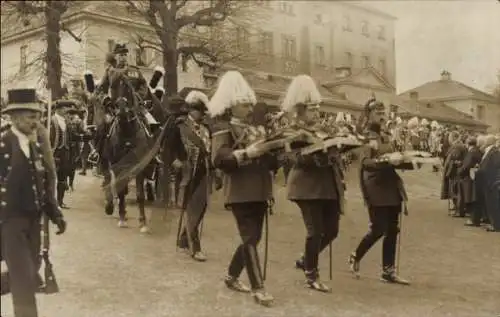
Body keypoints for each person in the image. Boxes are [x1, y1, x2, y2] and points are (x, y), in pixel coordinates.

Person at [210, 70, 276, 306]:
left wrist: (277, 150)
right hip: (238, 190)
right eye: (245, 105)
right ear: (232, 105)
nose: (250, 109)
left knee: (254, 237)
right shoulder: (222, 127)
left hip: (260, 189)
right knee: (250, 237)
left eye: (250, 104)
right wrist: (247, 153)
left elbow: (271, 162)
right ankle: (259, 287)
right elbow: (219, 158)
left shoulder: (256, 128)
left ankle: (231, 275)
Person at [0, 88, 67, 317]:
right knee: (24, 280)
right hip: (10, 221)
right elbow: (10, 182)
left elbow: (41, 182)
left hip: (33, 222)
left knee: (31, 271)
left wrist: (54, 213)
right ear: (15, 117)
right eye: (31, 117)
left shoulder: (35, 144)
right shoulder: (5, 145)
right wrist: (22, 149)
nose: (36, 122)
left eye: (37, 116)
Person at [281, 75, 344, 292]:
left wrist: (339, 147)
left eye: (317, 108)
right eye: (311, 109)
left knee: (333, 230)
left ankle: (305, 259)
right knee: (315, 230)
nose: (317, 113)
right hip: (306, 186)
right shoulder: (293, 130)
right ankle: (311, 274)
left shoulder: (324, 129)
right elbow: (296, 158)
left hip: (328, 185)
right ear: (300, 110)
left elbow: (335, 149)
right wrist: (322, 153)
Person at [348, 98, 410, 285]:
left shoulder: (387, 134)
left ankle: (388, 271)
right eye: (378, 113)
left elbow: (394, 156)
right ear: (369, 114)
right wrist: (388, 161)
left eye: (384, 113)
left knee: (392, 229)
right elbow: (365, 163)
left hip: (391, 185)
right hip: (375, 186)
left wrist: (406, 160)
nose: (382, 117)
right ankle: (355, 256)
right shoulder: (365, 135)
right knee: (378, 228)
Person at [174, 90, 212, 261]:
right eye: (199, 111)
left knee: (200, 207)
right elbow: (171, 147)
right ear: (191, 109)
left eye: (202, 111)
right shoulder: (180, 126)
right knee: (191, 209)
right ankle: (195, 247)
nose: (201, 115)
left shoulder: (206, 129)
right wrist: (176, 161)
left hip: (204, 171)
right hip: (187, 172)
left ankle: (183, 240)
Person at [50, 99, 76, 209]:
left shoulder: (66, 121)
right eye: (64, 108)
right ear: (59, 109)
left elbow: (70, 136)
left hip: (66, 152)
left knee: (62, 177)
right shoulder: (51, 120)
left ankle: (60, 201)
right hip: (54, 151)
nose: (66, 111)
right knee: (51, 177)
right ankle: (51, 202)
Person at [476, 134, 500, 232]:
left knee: (493, 204)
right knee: (490, 204)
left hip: (491, 182)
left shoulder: (494, 152)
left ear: (489, 141)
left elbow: (495, 167)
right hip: (488, 181)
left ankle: (496, 225)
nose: (484, 142)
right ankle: (493, 224)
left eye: (486, 140)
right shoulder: (490, 151)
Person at [440, 131, 467, 215]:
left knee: (455, 191)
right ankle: (457, 208)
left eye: (450, 138)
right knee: (455, 191)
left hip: (455, 173)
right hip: (455, 172)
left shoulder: (457, 146)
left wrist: (448, 172)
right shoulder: (458, 145)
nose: (449, 140)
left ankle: (459, 210)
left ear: (454, 138)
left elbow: (453, 160)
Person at [458, 136, 483, 223]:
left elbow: (466, 166)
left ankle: (473, 219)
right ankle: (475, 218)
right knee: (473, 198)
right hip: (474, 177)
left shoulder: (471, 152)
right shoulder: (478, 151)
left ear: (468, 144)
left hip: (469, 178)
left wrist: (459, 171)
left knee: (471, 198)